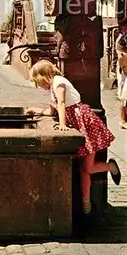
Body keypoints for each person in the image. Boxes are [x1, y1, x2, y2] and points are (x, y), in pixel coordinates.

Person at [26, 60, 121, 215]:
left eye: (38, 82)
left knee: (87, 167)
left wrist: (63, 124)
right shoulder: (53, 87)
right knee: (83, 169)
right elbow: (52, 110)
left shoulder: (59, 83)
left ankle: (111, 167)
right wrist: (35, 110)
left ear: (44, 76)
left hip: (85, 124)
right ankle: (86, 202)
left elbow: (62, 103)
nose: (38, 86)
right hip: (78, 125)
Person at [116, 20, 127, 129]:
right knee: (124, 96)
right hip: (125, 69)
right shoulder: (122, 39)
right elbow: (121, 56)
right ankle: (123, 120)